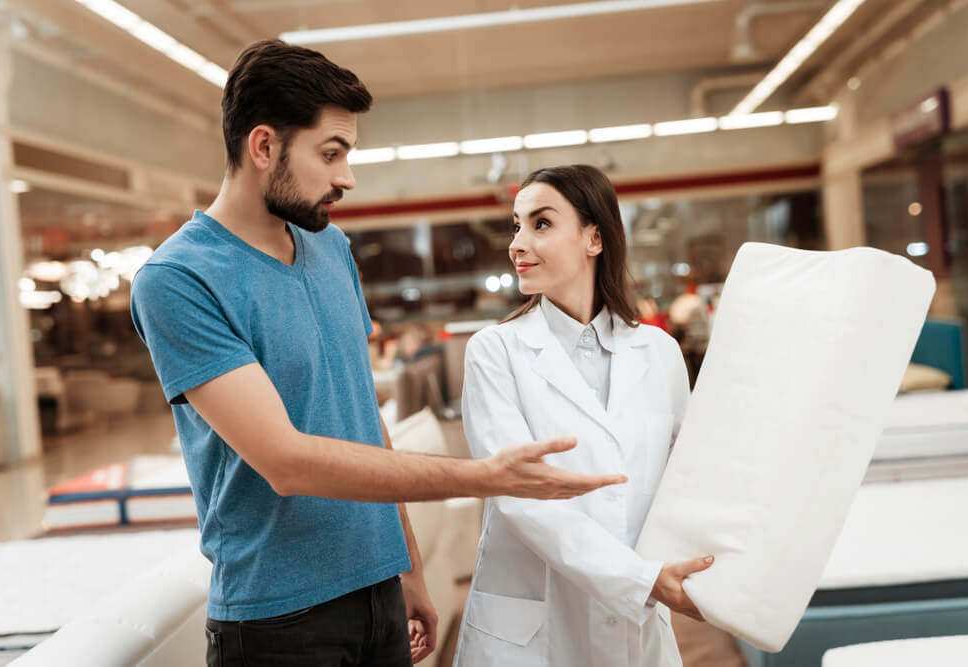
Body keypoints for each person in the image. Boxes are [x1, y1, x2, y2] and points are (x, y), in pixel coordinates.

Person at [129, 41, 623, 667]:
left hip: (378, 592)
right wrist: (483, 477)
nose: (347, 177)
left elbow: (362, 418)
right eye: (331, 154)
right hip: (276, 620)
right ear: (263, 147)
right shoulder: (177, 279)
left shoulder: (329, 247)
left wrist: (407, 565)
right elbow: (287, 460)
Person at [454, 165, 713, 667]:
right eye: (516, 225)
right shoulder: (495, 351)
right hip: (535, 629)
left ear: (594, 237)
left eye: (542, 223)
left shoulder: (658, 351)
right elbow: (520, 498)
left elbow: (686, 478)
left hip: (639, 621)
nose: (518, 243)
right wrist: (639, 580)